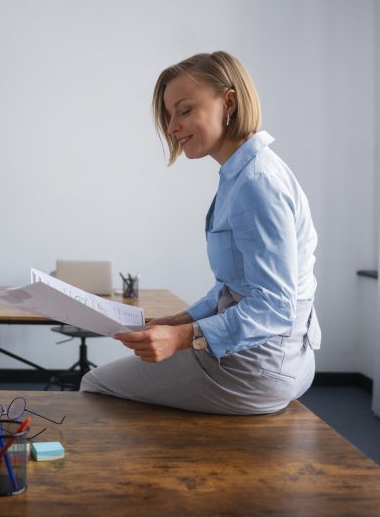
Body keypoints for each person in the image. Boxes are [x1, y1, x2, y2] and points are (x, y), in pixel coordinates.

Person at [81, 51, 321, 415]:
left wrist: (183, 337)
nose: (172, 126)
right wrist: (183, 319)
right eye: (169, 115)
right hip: (274, 359)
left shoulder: (256, 183)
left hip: (255, 366)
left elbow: (275, 307)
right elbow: (235, 285)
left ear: (228, 102)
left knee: (94, 385)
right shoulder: (243, 175)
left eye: (185, 110)